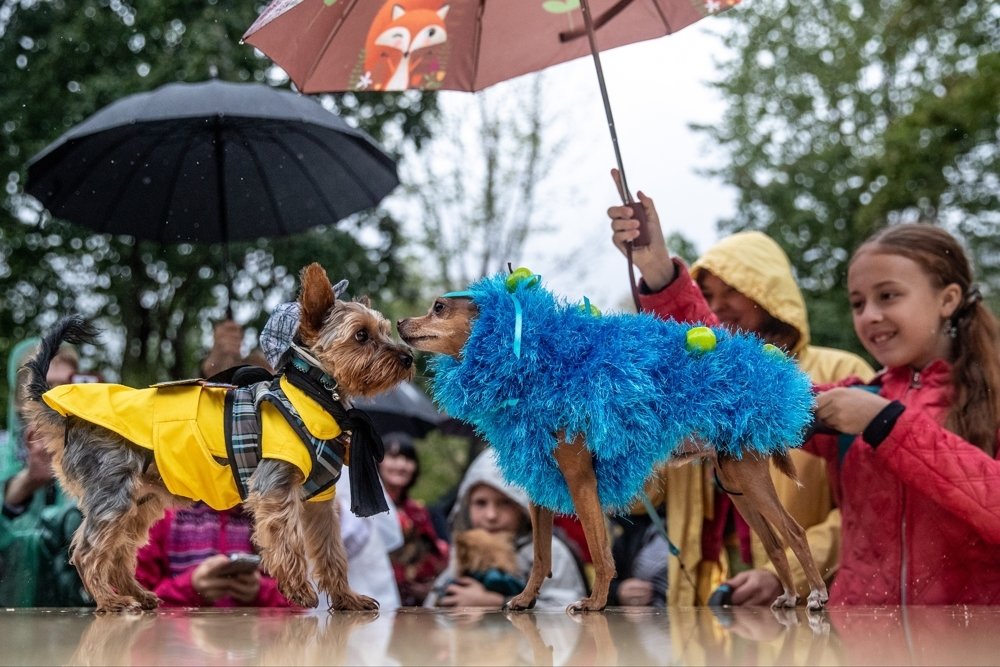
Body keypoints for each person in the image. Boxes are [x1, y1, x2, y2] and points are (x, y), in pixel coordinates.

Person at [612, 188, 1000, 604]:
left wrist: (888, 424)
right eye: (857, 302)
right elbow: (735, 383)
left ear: (948, 299)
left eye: (888, 296)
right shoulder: (855, 397)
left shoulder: (963, 399)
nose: (870, 315)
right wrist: (659, 274)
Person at [607, 172, 875, 606]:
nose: (718, 306)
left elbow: (867, 512)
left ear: (770, 293)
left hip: (819, 619)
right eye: (707, 293)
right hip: (710, 611)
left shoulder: (841, 371)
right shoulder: (697, 391)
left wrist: (781, 574)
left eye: (734, 290)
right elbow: (648, 501)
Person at [423, 448, 588, 609]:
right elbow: (431, 615)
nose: (491, 515)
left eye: (504, 503)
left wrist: (495, 602)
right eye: (480, 503)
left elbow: (566, 616)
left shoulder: (549, 552)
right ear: (466, 506)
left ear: (523, 507)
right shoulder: (465, 551)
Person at [0, 339, 92, 606]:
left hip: (77, 628)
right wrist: (25, 484)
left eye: (67, 389)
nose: (56, 402)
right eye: (45, 388)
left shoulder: (96, 459)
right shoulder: (3, 452)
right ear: (19, 398)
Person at [134, 502, 294, 608]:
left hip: (248, 649)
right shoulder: (160, 513)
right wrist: (190, 588)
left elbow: (298, 602)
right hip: (179, 649)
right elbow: (130, 599)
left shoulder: (266, 516)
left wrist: (260, 591)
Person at [378, 431, 449, 606]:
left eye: (408, 459)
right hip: (374, 593)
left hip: (412, 603)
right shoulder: (362, 507)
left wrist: (432, 585)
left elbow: (435, 555)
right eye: (393, 457)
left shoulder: (419, 511)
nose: (401, 465)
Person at [606, 511, 669, 607]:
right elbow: (602, 584)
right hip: (637, 618)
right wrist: (618, 591)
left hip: (690, 617)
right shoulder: (638, 528)